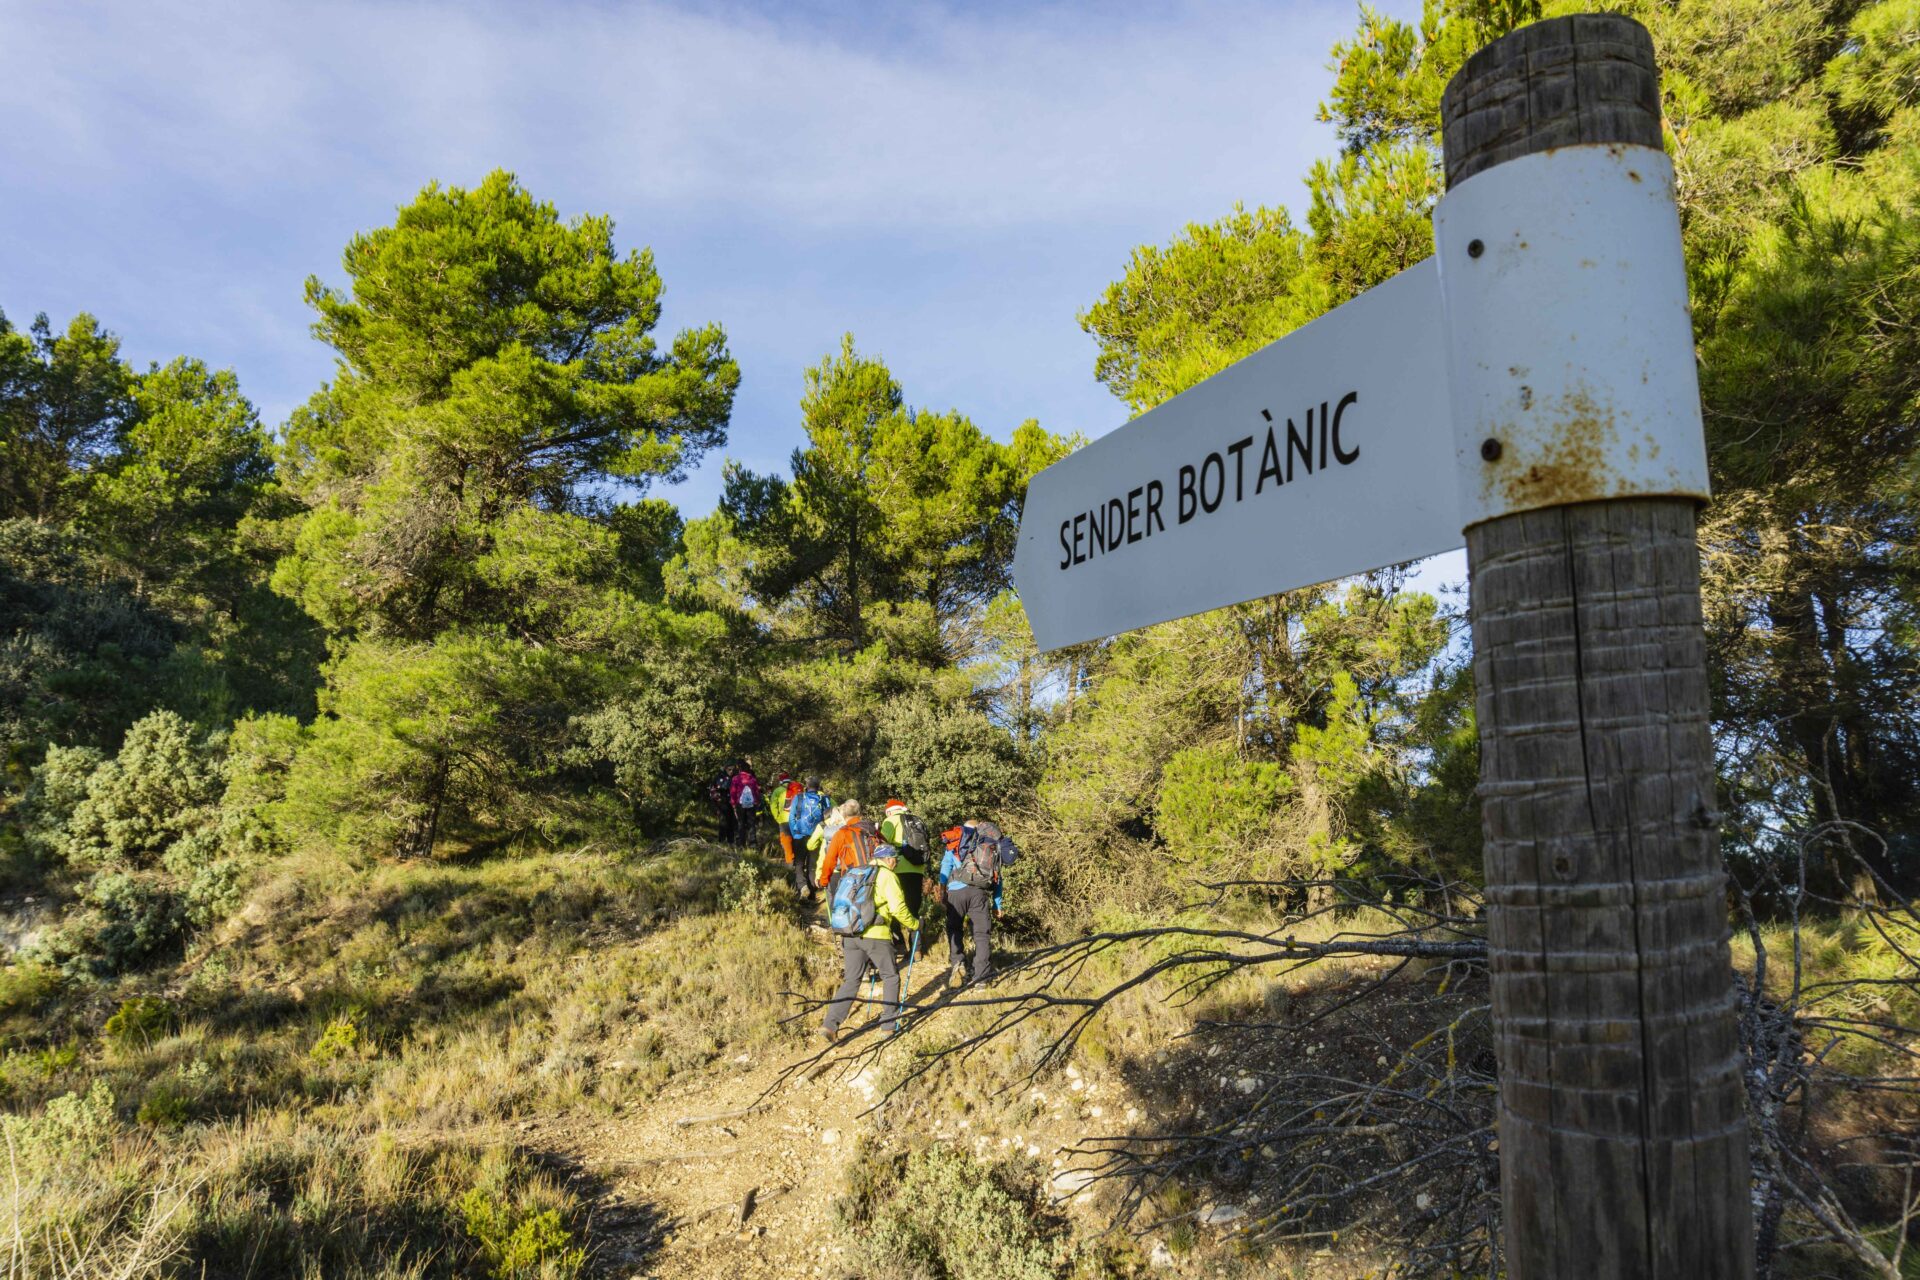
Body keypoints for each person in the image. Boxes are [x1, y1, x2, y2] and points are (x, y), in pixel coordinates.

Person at [822, 845, 922, 1043]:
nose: (896, 863)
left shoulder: (857, 873)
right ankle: (888, 1025)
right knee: (890, 976)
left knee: (851, 980)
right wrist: (915, 924)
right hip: (876, 934)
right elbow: (898, 908)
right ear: (889, 859)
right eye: (896, 859)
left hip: (850, 933)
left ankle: (829, 1025)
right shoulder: (886, 876)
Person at [939, 820, 1019, 986]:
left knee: (955, 929)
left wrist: (942, 889)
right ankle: (981, 978)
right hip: (979, 893)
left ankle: (958, 964)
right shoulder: (990, 844)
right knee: (982, 935)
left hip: (956, 892)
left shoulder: (957, 839)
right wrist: (997, 904)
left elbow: (945, 866)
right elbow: (997, 877)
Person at [814, 800, 884, 904]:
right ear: (859, 812)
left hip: (852, 880)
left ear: (843, 814)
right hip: (875, 876)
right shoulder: (871, 828)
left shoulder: (841, 834)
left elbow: (830, 860)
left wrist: (823, 881)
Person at [879, 799, 931, 920]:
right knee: (913, 907)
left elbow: (882, 843)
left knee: (895, 904)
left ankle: (897, 932)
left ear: (889, 812)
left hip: (898, 867)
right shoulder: (918, 820)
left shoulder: (890, 820)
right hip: (918, 868)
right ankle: (915, 931)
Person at [787, 777, 832, 899]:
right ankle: (812, 893)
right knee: (813, 865)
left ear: (806, 786)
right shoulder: (824, 799)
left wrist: (795, 833)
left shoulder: (799, 798)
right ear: (818, 787)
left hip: (800, 835)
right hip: (816, 836)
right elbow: (829, 818)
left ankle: (802, 887)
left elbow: (791, 817)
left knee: (799, 863)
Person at [728, 762, 762, 849]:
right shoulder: (753, 779)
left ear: (740, 769)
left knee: (741, 824)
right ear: (748, 769)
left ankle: (741, 845)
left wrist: (733, 804)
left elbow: (733, 792)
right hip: (751, 805)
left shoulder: (736, 779)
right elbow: (757, 792)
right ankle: (753, 845)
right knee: (751, 824)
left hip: (740, 804)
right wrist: (757, 802)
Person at [768, 771, 796, 865]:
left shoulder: (777, 791)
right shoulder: (797, 789)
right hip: (797, 820)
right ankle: (799, 863)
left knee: (786, 841)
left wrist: (778, 818)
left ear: (781, 781)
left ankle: (790, 862)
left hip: (784, 820)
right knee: (797, 841)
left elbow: (773, 806)